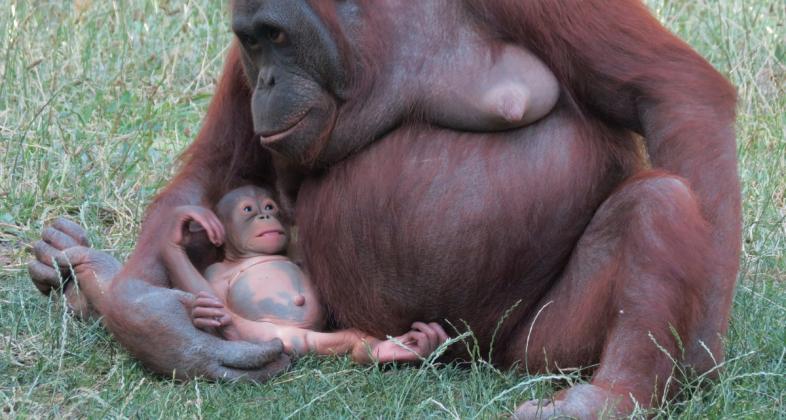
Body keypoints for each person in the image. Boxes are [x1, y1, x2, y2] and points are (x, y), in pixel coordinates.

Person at [161, 185, 449, 363]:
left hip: (328, 332)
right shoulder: (223, 270)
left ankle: (376, 347)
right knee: (221, 318)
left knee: (354, 336)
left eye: (270, 208)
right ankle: (360, 347)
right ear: (220, 232)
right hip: (267, 336)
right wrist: (172, 247)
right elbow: (210, 309)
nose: (265, 216)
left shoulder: (295, 251)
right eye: (248, 211)